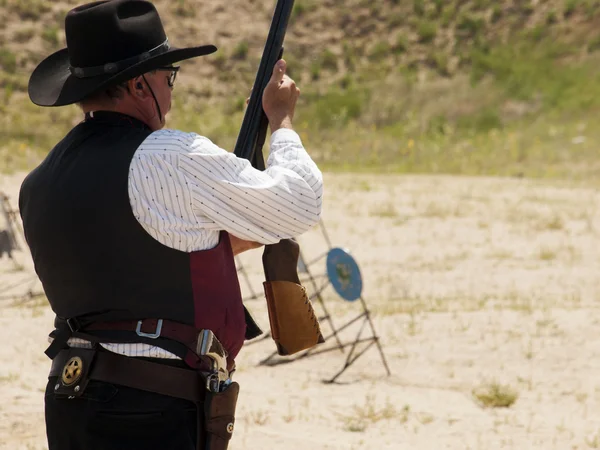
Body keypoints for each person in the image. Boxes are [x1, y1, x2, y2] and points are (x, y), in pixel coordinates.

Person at [18, 1, 323, 449]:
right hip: (153, 408)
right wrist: (281, 121)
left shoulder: (40, 180)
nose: (171, 88)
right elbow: (300, 202)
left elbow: (153, 252)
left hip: (72, 398)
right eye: (168, 76)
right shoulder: (167, 156)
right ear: (140, 85)